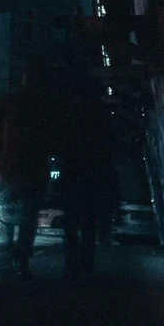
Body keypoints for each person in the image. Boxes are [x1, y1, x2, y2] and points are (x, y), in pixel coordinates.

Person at [0, 63, 57, 276]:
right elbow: (52, 139)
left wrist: (0, 149)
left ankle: (8, 250)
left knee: (5, 209)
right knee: (28, 215)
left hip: (9, 167)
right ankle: (22, 257)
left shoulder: (9, 102)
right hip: (33, 169)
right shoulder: (44, 107)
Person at [54, 81, 115, 277]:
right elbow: (106, 151)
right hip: (91, 178)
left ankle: (71, 267)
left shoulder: (69, 119)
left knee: (71, 227)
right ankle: (86, 265)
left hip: (73, 177)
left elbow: (62, 148)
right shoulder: (99, 119)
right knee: (88, 225)